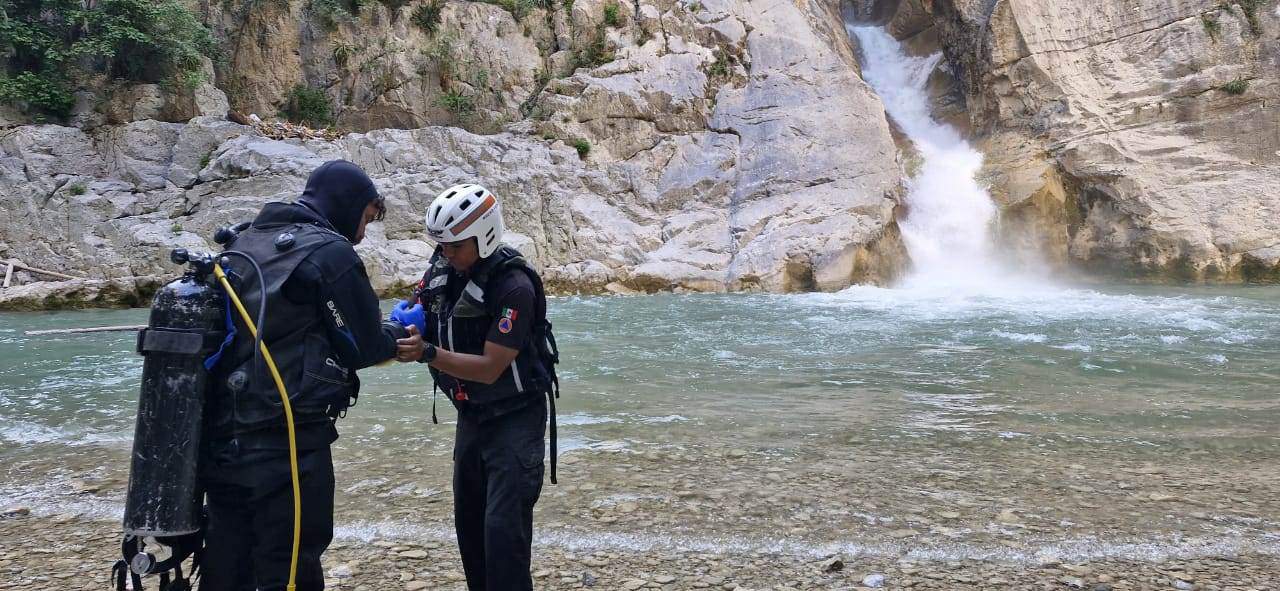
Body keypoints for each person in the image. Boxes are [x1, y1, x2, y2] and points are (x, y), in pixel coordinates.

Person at [200, 159, 407, 591]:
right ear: (348, 205)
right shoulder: (329, 252)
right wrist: (402, 331)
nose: (363, 232)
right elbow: (364, 347)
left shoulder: (244, 242)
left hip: (220, 442)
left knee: (226, 563)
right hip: (287, 445)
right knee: (290, 566)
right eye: (367, 218)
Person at [392, 183, 559, 591]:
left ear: (484, 236)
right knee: (470, 530)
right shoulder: (445, 265)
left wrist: (427, 353)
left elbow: (489, 368)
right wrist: (409, 322)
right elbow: (428, 308)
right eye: (441, 245)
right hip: (472, 416)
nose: (445, 254)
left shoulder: (514, 286)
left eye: (454, 246)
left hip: (515, 418)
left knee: (504, 535)